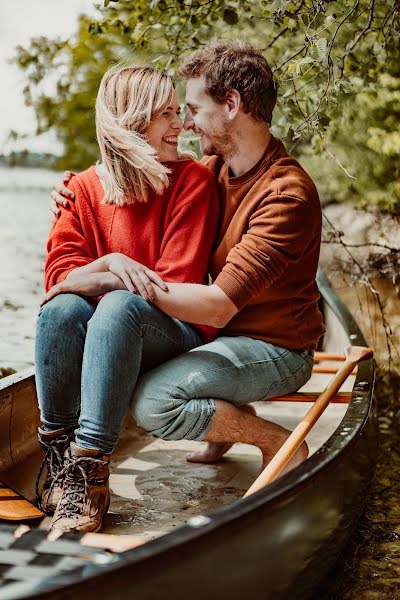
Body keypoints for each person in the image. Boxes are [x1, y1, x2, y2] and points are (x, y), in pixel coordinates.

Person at [51, 41, 325, 496]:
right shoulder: (217, 167)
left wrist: (121, 281)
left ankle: (275, 441)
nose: (187, 122)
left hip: (274, 348)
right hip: (225, 336)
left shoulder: (285, 194)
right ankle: (226, 423)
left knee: (153, 402)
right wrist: (76, 188)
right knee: (111, 335)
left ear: (232, 104)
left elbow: (217, 308)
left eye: (194, 108)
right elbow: (141, 176)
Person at [36, 64, 220, 534]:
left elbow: (171, 283)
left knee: (117, 307)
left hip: (169, 329)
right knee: (60, 311)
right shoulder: (79, 188)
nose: (180, 125)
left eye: (179, 112)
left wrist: (100, 274)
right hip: (106, 327)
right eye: (166, 115)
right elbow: (58, 279)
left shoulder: (192, 182)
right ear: (132, 121)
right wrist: (107, 267)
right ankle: (61, 465)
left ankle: (92, 467)